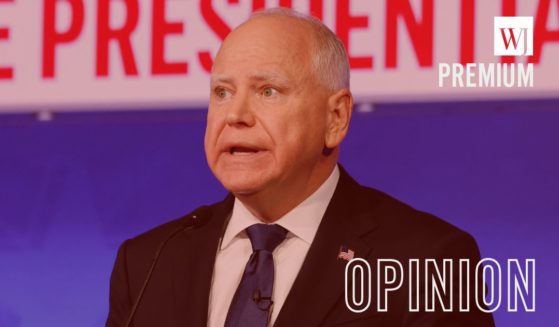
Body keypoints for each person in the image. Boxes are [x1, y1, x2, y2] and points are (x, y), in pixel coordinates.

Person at [106, 8, 495, 327]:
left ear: (335, 118)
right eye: (222, 92)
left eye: (268, 91)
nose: (235, 115)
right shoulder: (147, 263)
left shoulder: (426, 263)